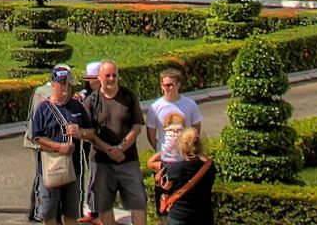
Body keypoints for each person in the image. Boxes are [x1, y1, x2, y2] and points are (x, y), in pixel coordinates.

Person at [82, 58, 148, 225]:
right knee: (104, 205)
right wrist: (108, 149)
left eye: (114, 75)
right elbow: (89, 133)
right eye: (107, 75)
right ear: (99, 77)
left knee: (138, 202)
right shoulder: (91, 101)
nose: (111, 79)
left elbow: (137, 126)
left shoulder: (128, 96)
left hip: (128, 159)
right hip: (101, 161)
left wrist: (121, 148)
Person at [27, 66, 86, 224]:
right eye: (61, 83)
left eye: (67, 83)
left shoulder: (77, 106)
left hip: (73, 169)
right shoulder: (43, 108)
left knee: (71, 214)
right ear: (53, 85)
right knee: (49, 215)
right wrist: (59, 147)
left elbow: (91, 131)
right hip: (50, 169)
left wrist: (80, 132)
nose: (64, 86)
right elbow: (36, 137)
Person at [145, 66, 201, 185]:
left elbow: (196, 130)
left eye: (170, 85)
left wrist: (190, 151)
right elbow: (150, 136)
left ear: (178, 85)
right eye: (165, 85)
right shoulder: (155, 107)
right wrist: (161, 150)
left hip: (185, 160)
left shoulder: (190, 104)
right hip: (165, 161)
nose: (167, 88)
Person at [154, 124, 218, 225]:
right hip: (204, 216)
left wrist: (168, 149)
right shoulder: (209, 167)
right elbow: (206, 160)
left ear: (182, 147)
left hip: (180, 216)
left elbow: (165, 186)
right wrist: (199, 152)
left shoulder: (175, 169)